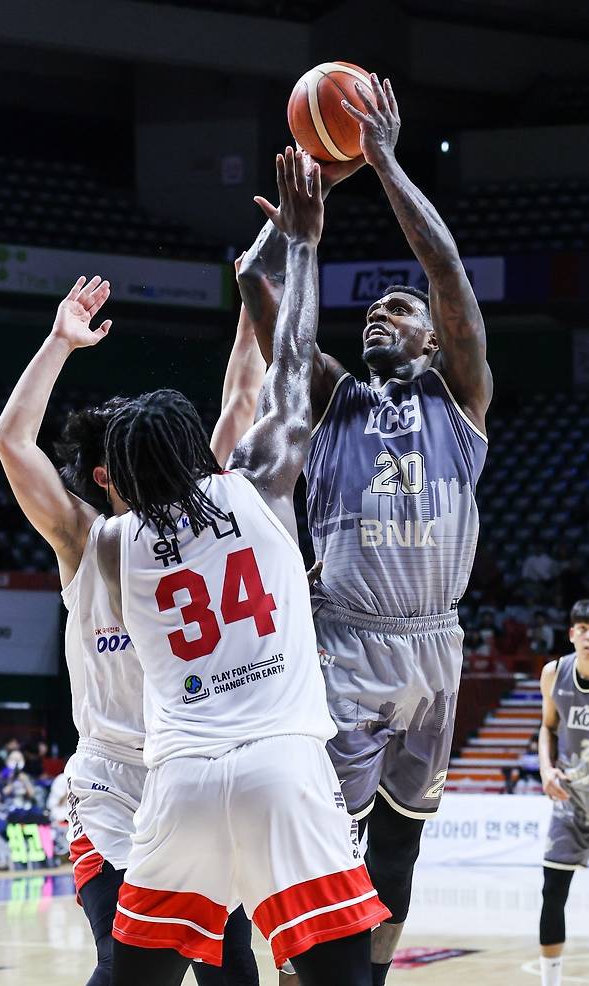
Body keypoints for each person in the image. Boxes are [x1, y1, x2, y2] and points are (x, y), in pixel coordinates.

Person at [98, 147, 389, 986]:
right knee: (342, 976)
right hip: (284, 768)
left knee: (138, 978)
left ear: (119, 475)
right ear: (200, 450)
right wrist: (300, 246)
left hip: (180, 780)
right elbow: (290, 369)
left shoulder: (117, 547)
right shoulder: (255, 486)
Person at [239, 75, 491, 985]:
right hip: (344, 642)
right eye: (374, 309)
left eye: (402, 310)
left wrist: (380, 156)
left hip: (436, 648)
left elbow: (449, 273)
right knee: (326, 855)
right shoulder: (333, 397)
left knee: (400, 860)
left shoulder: (462, 398)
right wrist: (299, 217)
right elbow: (256, 288)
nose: (384, 314)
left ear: (434, 338)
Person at [0, 261, 266, 986]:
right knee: (126, 963)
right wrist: (58, 341)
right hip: (113, 782)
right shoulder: (84, 538)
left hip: (199, 773)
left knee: (231, 961)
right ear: (107, 474)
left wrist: (252, 304)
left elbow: (241, 398)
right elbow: (13, 442)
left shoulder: (207, 522)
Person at [537, 599, 589, 986]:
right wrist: (545, 768)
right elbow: (547, 727)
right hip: (568, 799)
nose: (588, 637)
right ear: (572, 634)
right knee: (553, 891)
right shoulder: (554, 673)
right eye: (582, 629)